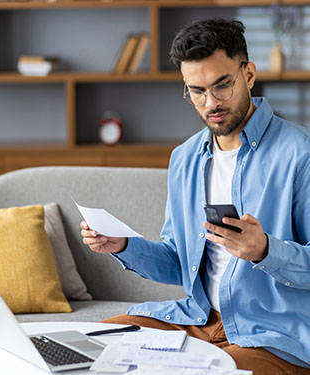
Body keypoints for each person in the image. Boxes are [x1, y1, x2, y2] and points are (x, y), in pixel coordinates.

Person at [80, 18, 310, 375]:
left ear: (248, 75)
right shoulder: (185, 158)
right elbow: (179, 263)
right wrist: (123, 245)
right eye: (197, 91)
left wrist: (265, 250)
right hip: (195, 321)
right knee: (91, 345)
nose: (211, 103)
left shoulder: (299, 154)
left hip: (271, 335)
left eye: (222, 86)